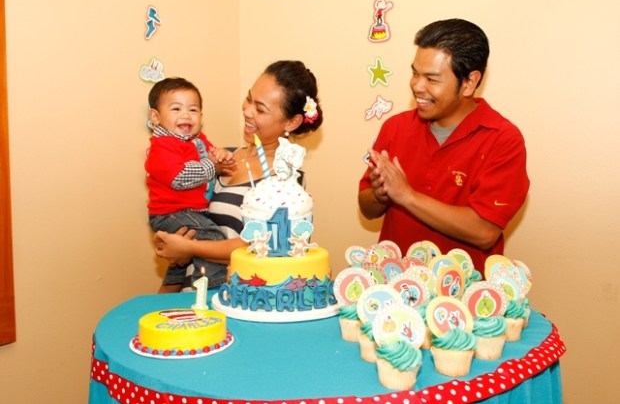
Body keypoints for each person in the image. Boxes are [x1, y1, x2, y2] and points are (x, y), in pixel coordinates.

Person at [358, 18, 529, 274]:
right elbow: (366, 208)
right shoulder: (396, 127)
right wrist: (380, 194)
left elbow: (484, 232)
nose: (417, 86)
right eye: (415, 73)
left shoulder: (503, 139)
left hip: (465, 291)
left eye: (432, 78)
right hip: (396, 285)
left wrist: (406, 195)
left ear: (470, 82)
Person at [153, 60, 323, 290]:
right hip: (189, 294)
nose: (247, 110)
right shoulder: (221, 157)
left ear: (292, 122)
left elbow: (261, 247)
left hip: (232, 296)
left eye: (260, 109)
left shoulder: (286, 182)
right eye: (249, 98)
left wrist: (189, 248)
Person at [145, 77, 235, 292]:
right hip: (171, 213)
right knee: (213, 238)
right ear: (156, 117)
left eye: (193, 110)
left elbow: (212, 154)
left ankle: (169, 292)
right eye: (176, 109)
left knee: (182, 259)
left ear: (201, 116)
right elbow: (179, 177)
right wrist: (214, 167)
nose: (186, 115)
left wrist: (221, 155)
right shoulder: (162, 146)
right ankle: (213, 288)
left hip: (191, 212)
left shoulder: (198, 139)